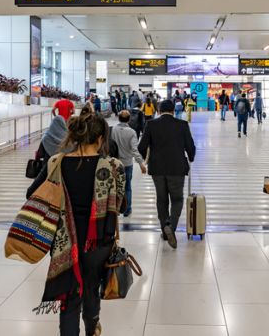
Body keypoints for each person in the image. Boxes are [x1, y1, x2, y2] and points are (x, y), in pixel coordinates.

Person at [31, 112, 125, 336]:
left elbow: (32, 193)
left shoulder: (56, 162)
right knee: (92, 286)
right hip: (99, 240)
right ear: (101, 138)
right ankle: (92, 328)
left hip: (64, 239)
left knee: (69, 292)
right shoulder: (113, 166)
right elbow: (121, 206)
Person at [138, 100, 196, 249]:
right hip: (177, 168)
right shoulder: (182, 125)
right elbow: (190, 145)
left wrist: (146, 159)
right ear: (173, 111)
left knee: (162, 199)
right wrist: (191, 157)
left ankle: (165, 230)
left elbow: (141, 146)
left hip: (157, 169)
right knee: (177, 199)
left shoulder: (151, 124)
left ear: (159, 110)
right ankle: (171, 225)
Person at [112, 110, 147, 217]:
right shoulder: (131, 132)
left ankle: (115, 209)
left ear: (118, 118)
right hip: (127, 164)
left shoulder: (113, 130)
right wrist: (141, 163)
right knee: (127, 187)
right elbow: (134, 150)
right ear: (128, 119)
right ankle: (127, 209)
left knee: (115, 187)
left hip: (115, 163)